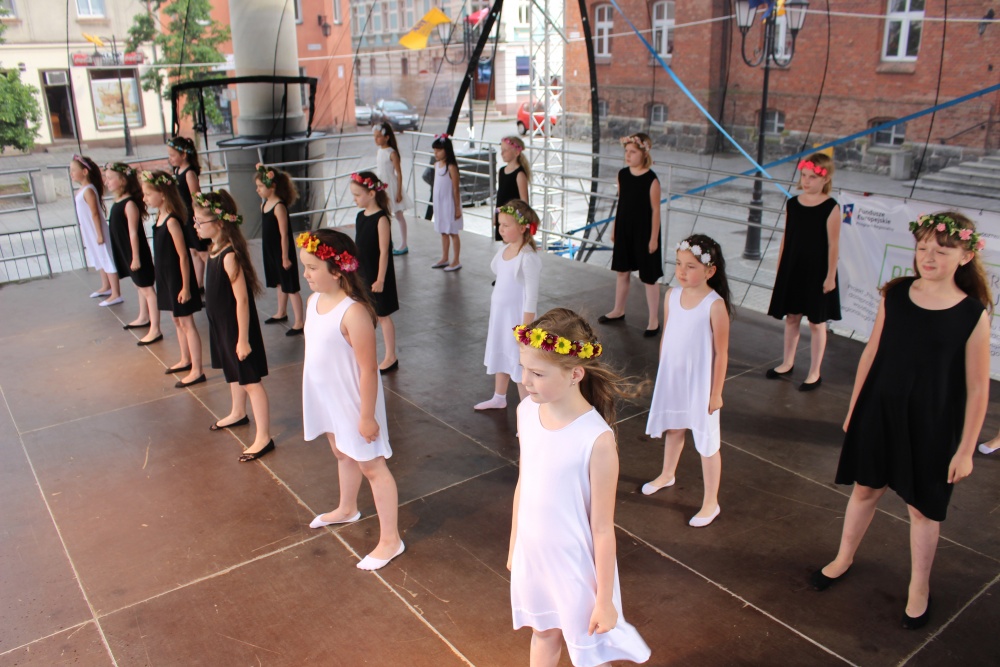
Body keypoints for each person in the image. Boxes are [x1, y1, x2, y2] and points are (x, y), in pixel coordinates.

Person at [810, 212, 990, 631]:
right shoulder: (896, 294)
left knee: (922, 510)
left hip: (932, 424)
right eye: (923, 247)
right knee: (865, 489)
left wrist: (965, 449)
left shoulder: (972, 314)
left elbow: (978, 388)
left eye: (941, 251)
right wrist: (855, 408)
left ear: (965, 256)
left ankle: (919, 586)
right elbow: (872, 352)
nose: (928, 257)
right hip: (880, 411)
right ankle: (843, 557)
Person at [508, 308, 651, 667]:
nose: (526, 380)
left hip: (574, 564)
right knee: (543, 633)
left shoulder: (596, 439)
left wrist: (605, 600)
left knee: (590, 653)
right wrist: (515, 546)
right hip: (534, 555)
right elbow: (524, 483)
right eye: (524, 369)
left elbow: (602, 527)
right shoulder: (526, 412)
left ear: (575, 374)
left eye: (538, 373)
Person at [298, 229, 404, 571]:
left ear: (337, 270)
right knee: (341, 452)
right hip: (325, 396)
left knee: (372, 466)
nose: (306, 274)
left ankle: (391, 540)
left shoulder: (353, 312)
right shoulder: (313, 302)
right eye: (305, 266)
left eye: (312, 267)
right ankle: (347, 508)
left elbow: (368, 369)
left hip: (353, 401)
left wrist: (367, 416)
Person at [643, 235, 732, 528]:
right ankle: (667, 473)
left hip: (701, 383)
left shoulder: (714, 305)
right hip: (674, 377)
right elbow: (668, 335)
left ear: (709, 271)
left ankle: (711, 502)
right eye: (679, 264)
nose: (681, 271)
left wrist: (716, 393)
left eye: (690, 266)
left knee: (707, 441)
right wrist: (664, 370)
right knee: (674, 427)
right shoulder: (671, 295)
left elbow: (721, 353)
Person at [193, 190, 275, 462]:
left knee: (250, 380)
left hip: (237, 328)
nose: (196, 226)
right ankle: (238, 412)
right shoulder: (213, 250)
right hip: (222, 326)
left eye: (200, 222)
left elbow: (242, 300)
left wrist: (243, 339)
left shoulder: (229, 256)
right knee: (233, 372)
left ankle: (264, 436)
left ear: (219, 223)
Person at [766, 153, 841, 391]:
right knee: (792, 317)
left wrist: (830, 276)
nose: (806, 181)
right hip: (794, 267)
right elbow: (786, 238)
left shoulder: (831, 207)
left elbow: (833, 245)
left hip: (817, 271)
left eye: (812, 177)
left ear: (825, 179)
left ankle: (814, 371)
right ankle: (787, 361)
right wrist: (781, 268)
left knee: (817, 323)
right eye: (804, 176)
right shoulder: (793, 204)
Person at [475, 200, 541, 411]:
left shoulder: (527, 257)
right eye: (499, 225)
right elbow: (499, 271)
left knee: (519, 363)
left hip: (517, 320)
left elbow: (531, 297)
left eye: (505, 225)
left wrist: (525, 329)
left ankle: (528, 409)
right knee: (501, 352)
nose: (500, 229)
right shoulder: (504, 250)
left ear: (522, 228)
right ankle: (499, 397)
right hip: (500, 317)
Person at [141, 170, 204, 387]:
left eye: (148, 194)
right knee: (177, 321)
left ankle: (197, 369)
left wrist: (186, 286)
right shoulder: (160, 218)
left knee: (186, 322)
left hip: (178, 278)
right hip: (166, 278)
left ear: (163, 194)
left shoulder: (171, 221)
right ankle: (185, 358)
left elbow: (183, 255)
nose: (145, 199)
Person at [600, 134, 662, 337]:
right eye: (626, 151)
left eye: (633, 152)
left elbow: (655, 210)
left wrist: (653, 238)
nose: (628, 155)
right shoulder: (622, 175)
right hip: (625, 229)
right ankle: (618, 309)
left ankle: (653, 320)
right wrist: (615, 228)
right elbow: (622, 203)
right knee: (622, 271)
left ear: (643, 153)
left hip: (644, 232)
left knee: (649, 277)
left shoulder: (651, 180)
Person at [349, 171, 400, 373]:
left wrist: (380, 279)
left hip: (378, 274)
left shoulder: (381, 219)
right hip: (364, 272)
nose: (354, 199)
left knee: (383, 315)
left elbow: (384, 251)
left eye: (357, 195)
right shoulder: (360, 217)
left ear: (371, 194)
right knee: (367, 314)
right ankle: (364, 353)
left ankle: (391, 355)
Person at [105, 163, 160, 344]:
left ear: (122, 181)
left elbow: (133, 233)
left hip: (136, 253)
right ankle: (143, 316)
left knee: (147, 289)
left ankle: (155, 328)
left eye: (110, 178)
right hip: (127, 252)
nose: (107, 182)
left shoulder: (129, 204)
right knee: (139, 286)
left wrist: (135, 257)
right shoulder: (119, 202)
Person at [255, 163, 304, 336]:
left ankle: (299, 321)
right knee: (279, 283)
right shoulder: (264, 205)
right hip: (270, 250)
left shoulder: (279, 206)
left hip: (282, 251)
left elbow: (284, 234)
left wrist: (285, 256)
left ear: (273, 186)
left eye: (261, 186)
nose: (258, 190)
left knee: (290, 287)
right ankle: (281, 311)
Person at [69, 155, 121, 305]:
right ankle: (106, 286)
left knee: (106, 258)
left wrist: (99, 234)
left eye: (74, 170)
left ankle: (116, 293)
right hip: (90, 231)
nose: (71, 173)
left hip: (96, 230)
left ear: (85, 172)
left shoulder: (89, 190)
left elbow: (95, 213)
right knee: (98, 257)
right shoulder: (83, 189)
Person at [166, 135, 207, 290]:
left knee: (202, 250)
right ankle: (198, 284)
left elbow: (196, 198)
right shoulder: (178, 171)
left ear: (183, 155)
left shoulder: (189, 174)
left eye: (172, 155)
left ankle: (217, 278)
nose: (170, 159)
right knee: (193, 251)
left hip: (192, 217)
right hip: (184, 217)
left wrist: (199, 219)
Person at [372, 122, 412, 255]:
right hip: (381, 185)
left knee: (398, 215)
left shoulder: (392, 153)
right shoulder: (379, 152)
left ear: (387, 137)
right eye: (375, 136)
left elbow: (399, 173)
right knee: (384, 215)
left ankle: (404, 243)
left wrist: (399, 192)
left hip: (391, 186)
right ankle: (388, 241)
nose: (376, 139)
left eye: (378, 136)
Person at [430, 133, 463, 272]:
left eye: (439, 150)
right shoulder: (437, 165)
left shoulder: (451, 167)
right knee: (443, 231)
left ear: (446, 150)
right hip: (440, 203)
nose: (436, 153)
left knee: (453, 232)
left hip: (449, 203)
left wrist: (457, 208)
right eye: (435, 151)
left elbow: (455, 189)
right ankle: (445, 257)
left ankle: (456, 260)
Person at [494, 136, 530, 242]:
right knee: (504, 243)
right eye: (501, 150)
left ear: (516, 153)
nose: (502, 153)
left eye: (505, 150)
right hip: (503, 216)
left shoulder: (519, 174)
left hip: (513, 218)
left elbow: (524, 201)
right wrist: (496, 214)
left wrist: (522, 221)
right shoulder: (501, 171)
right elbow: (500, 195)